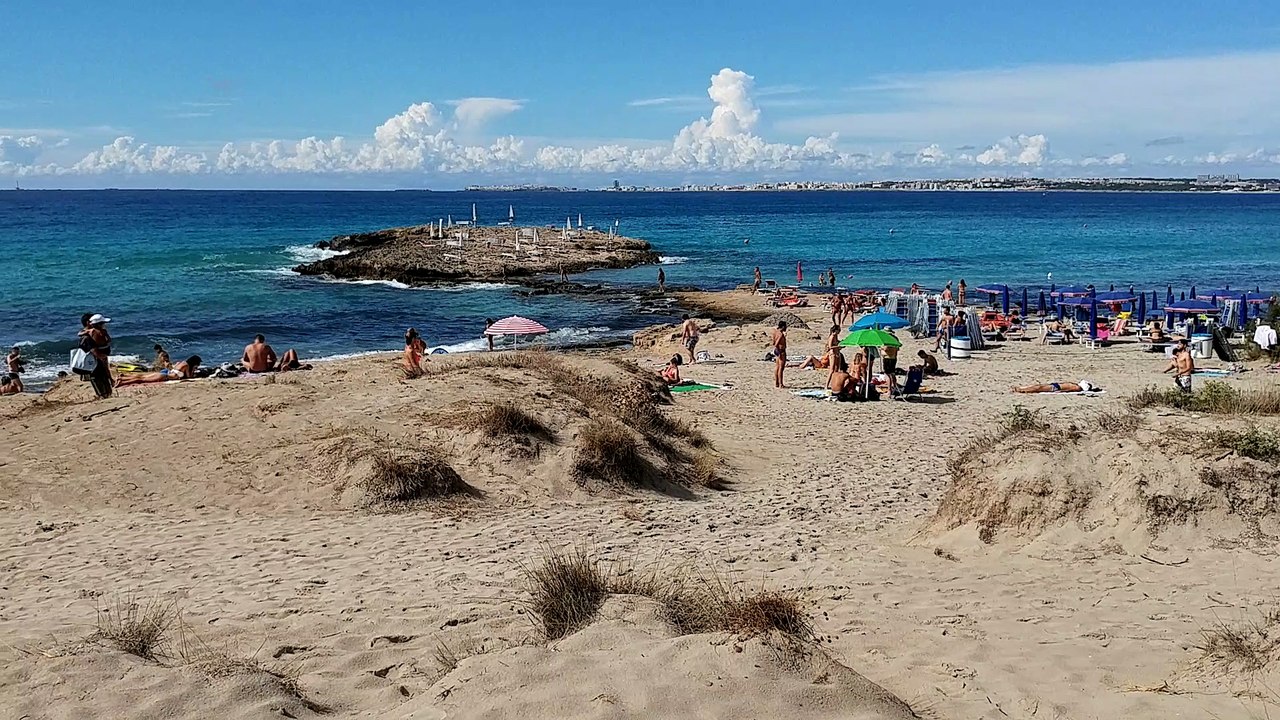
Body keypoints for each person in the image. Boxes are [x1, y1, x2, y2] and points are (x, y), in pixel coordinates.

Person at [115, 355, 201, 387]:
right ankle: (122, 382)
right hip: (165, 377)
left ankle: (123, 377)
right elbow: (189, 376)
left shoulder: (180, 363)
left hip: (165, 373)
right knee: (141, 379)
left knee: (141, 376)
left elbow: (173, 368)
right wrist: (193, 369)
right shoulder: (186, 365)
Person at [82, 313, 113, 399]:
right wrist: (101, 356)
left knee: (103, 374)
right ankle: (102, 394)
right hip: (96, 358)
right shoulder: (89, 334)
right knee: (97, 376)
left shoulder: (96, 332)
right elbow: (92, 349)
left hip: (100, 357)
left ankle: (106, 393)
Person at [1012, 380, 1099, 394]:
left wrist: (1059, 392)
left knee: (1039, 388)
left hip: (1056, 388)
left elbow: (1067, 390)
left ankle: (1022, 390)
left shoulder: (1077, 388)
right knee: (1038, 386)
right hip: (1056, 386)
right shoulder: (1077, 386)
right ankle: (1023, 388)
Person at [771, 320, 788, 388]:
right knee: (781, 368)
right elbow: (776, 343)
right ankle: (781, 384)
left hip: (777, 351)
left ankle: (777, 383)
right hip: (781, 351)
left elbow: (773, 342)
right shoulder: (780, 334)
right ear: (783, 327)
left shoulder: (775, 332)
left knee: (777, 367)